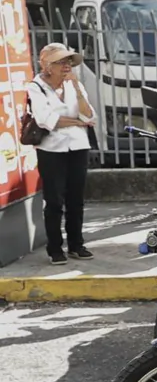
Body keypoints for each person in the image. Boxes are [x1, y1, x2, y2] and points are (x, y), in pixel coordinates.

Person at [27, 43, 95, 264]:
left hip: (78, 146)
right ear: (47, 65)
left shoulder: (75, 85)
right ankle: (55, 248)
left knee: (76, 199)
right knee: (54, 200)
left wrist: (76, 89)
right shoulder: (36, 87)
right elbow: (47, 120)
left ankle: (77, 244)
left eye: (68, 62)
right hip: (51, 149)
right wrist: (76, 121)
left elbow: (90, 116)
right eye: (61, 62)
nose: (66, 66)